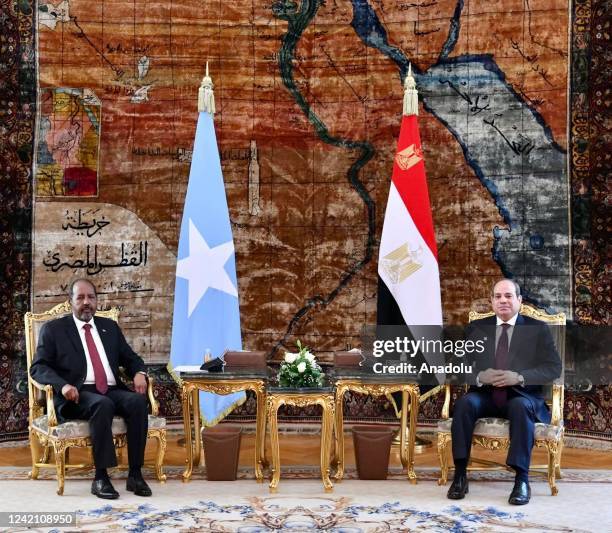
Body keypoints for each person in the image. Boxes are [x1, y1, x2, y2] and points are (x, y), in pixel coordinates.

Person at [30, 278, 152, 499]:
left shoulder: (109, 327)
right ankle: (101, 478)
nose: (86, 302)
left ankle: (135, 474)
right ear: (70, 302)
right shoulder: (54, 330)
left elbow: (131, 358)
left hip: (111, 389)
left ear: (97, 301)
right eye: (80, 297)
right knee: (101, 404)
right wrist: (62, 385)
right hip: (77, 394)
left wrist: (139, 373)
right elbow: (38, 367)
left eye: (91, 297)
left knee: (136, 401)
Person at [447, 279, 561, 505]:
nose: (503, 301)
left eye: (508, 296)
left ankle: (521, 480)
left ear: (519, 300)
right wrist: (480, 376)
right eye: (498, 296)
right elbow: (457, 365)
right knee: (464, 404)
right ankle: (460, 474)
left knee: (520, 407)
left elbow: (553, 368)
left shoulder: (537, 329)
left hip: (521, 395)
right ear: (491, 301)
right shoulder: (477, 328)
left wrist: (519, 377)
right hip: (485, 395)